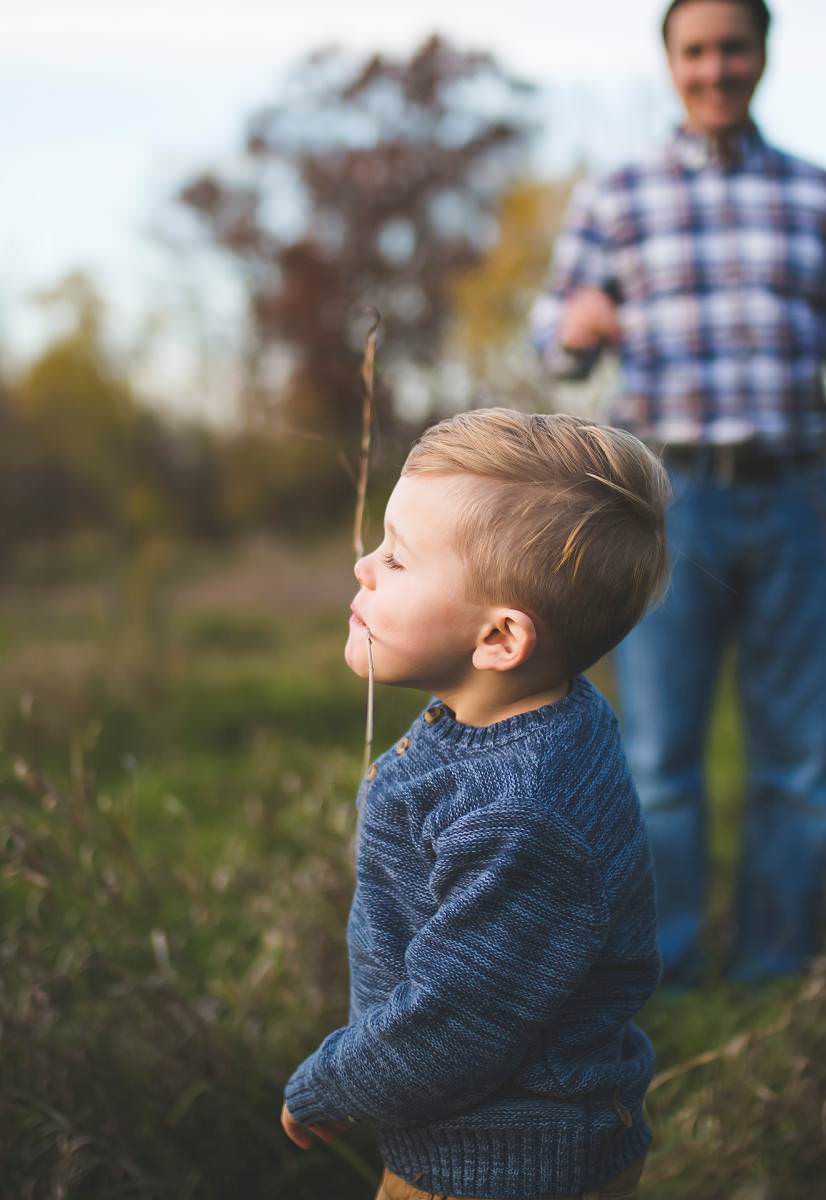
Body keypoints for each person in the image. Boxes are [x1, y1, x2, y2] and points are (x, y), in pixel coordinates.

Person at [529, 0, 826, 989]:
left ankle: (777, 969)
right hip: (664, 505)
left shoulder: (823, 194)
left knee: (797, 765)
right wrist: (577, 325)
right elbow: (551, 339)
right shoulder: (615, 197)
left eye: (733, 47)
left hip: (794, 501)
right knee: (658, 764)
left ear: (763, 55)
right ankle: (672, 969)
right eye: (695, 51)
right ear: (670, 63)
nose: (715, 68)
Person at [281, 408, 669, 1200]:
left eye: (397, 560)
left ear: (498, 640)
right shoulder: (540, 711)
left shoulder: (524, 819)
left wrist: (332, 1081)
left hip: (499, 1165)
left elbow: (455, 1023)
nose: (363, 565)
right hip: (478, 1144)